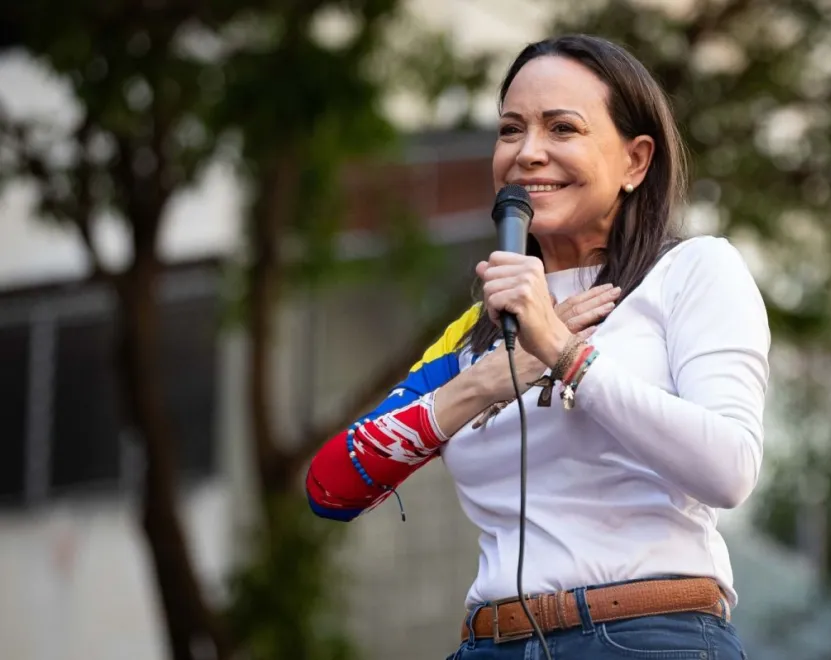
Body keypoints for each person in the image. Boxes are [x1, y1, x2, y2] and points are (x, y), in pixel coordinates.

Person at [307, 34, 770, 659]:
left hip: (647, 635)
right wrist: (485, 381)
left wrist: (565, 353)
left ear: (636, 162)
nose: (528, 153)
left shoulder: (690, 272)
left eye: (562, 128)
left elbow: (730, 468)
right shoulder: (478, 332)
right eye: (510, 130)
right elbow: (331, 485)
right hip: (491, 642)